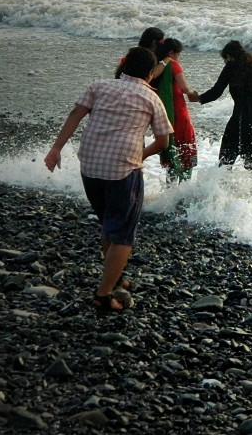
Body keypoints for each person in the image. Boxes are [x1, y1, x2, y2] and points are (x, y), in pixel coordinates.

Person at [44, 47, 173, 312]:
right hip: (123, 169)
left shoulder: (99, 86)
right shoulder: (151, 98)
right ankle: (103, 295)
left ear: (124, 65)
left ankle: (114, 278)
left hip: (89, 164)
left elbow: (75, 116)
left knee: (108, 224)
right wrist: (141, 154)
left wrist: (56, 148)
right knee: (123, 234)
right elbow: (163, 141)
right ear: (150, 74)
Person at [193, 40, 252, 173]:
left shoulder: (232, 66)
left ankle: (221, 188)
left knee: (226, 157)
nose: (225, 62)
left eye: (225, 59)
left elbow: (217, 91)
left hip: (242, 118)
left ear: (229, 56)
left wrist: (199, 98)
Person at [152, 38, 199, 181]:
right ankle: (184, 186)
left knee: (171, 146)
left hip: (164, 112)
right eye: (178, 54)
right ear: (172, 53)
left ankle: (170, 186)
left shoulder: (156, 66)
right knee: (185, 147)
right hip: (178, 111)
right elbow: (184, 88)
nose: (179, 57)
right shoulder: (174, 66)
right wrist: (194, 94)